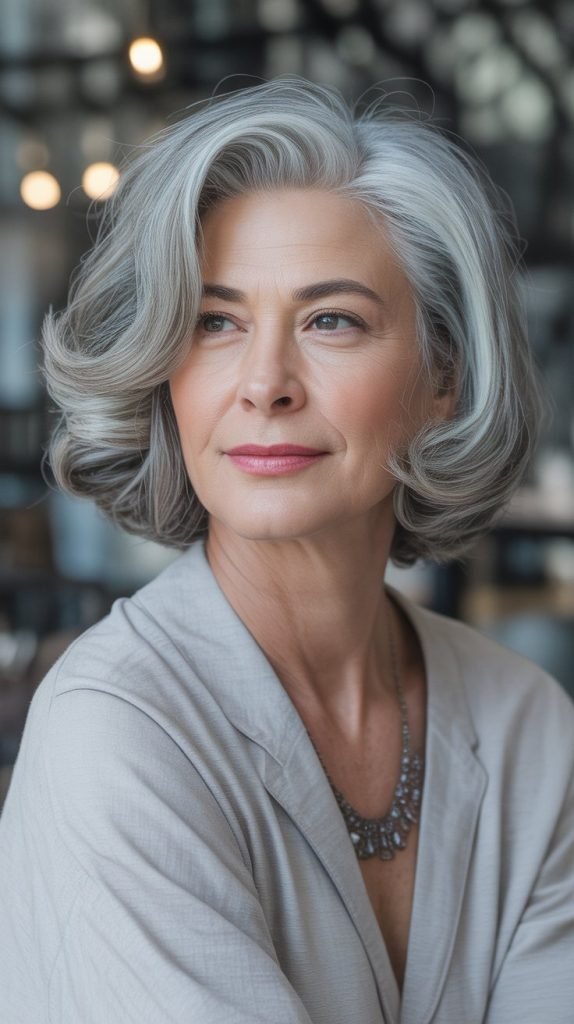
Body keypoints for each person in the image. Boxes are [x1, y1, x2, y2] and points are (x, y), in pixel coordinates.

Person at [0, 77, 573, 1024]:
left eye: (330, 320)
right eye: (215, 322)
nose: (264, 383)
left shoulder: (529, 730)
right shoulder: (118, 733)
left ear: (444, 376)